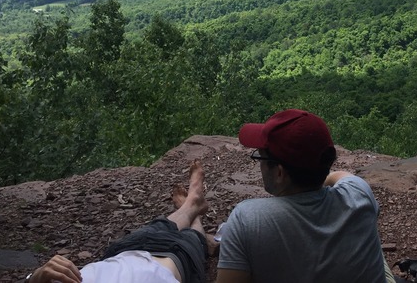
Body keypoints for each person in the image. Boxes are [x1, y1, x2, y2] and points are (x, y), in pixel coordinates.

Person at [215, 108, 390, 283]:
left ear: (280, 172)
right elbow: (340, 176)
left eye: (261, 157)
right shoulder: (359, 193)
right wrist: (317, 178)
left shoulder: (247, 220)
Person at [25, 160, 214, 283]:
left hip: (121, 253)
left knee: (159, 226)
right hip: (173, 259)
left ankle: (191, 204)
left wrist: (34, 279)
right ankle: (195, 213)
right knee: (193, 237)